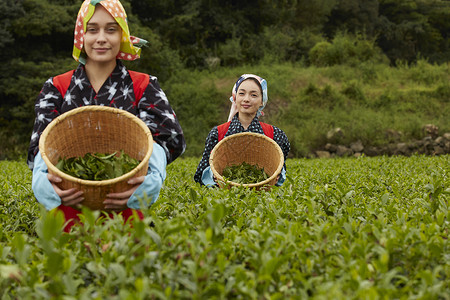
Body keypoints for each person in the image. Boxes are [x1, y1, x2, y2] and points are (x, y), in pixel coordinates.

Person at [28, 0, 186, 232]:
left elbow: (167, 138)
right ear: (81, 35)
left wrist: (151, 178)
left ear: (122, 35)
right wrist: (42, 182)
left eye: (111, 29)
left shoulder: (143, 85)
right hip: (69, 209)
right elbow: (41, 143)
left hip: (126, 209)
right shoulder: (57, 87)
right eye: (92, 30)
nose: (101, 38)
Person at [194, 74, 290, 186]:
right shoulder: (218, 133)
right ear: (235, 98)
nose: (246, 99)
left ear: (262, 101)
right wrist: (212, 176)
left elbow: (280, 166)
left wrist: (278, 175)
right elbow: (201, 173)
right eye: (241, 93)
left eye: (253, 95)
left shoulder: (275, 134)